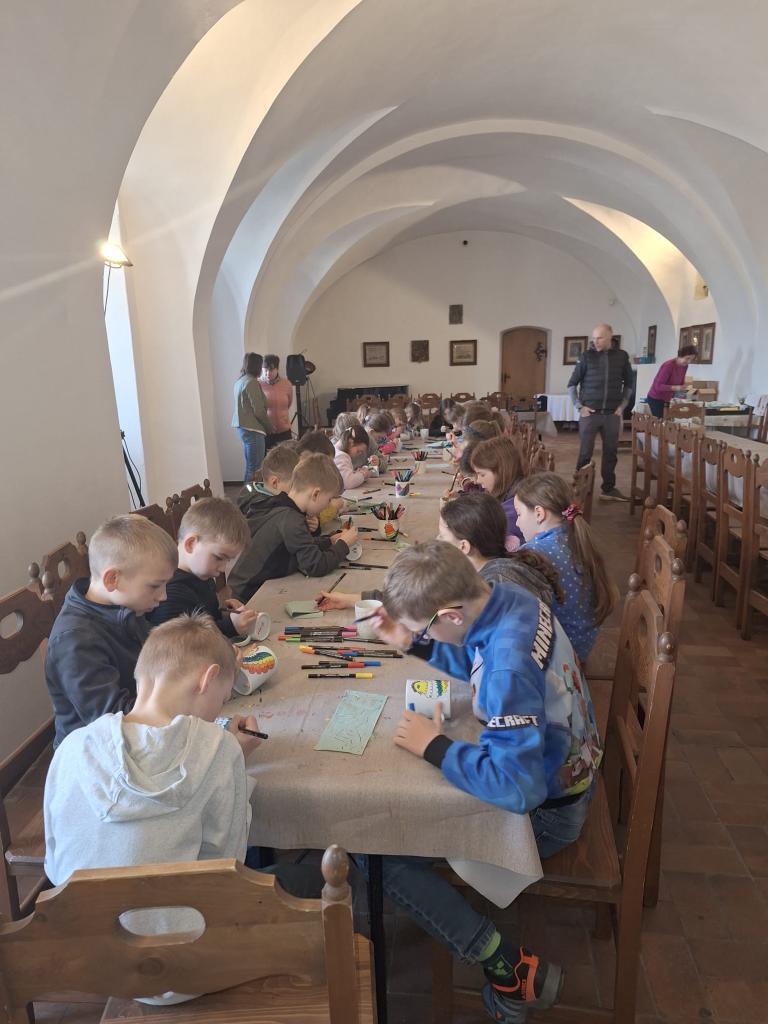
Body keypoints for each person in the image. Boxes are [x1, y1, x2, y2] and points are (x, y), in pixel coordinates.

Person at [368, 542, 602, 1022]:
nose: (422, 635)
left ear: (451, 615)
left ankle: (503, 964)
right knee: (382, 837)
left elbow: (517, 791)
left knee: (377, 848)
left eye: (424, 627)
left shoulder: (507, 668)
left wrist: (434, 747)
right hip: (569, 769)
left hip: (549, 812)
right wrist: (415, 642)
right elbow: (475, 654)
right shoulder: (507, 597)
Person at [43, 613, 265, 1004]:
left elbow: (55, 863)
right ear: (207, 679)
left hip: (86, 961)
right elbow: (230, 869)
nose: (218, 712)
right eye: (222, 699)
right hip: (183, 970)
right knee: (297, 882)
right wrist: (234, 757)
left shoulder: (73, 746)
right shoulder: (219, 748)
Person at [45, 515, 178, 747]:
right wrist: (179, 694)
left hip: (138, 723)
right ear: (112, 579)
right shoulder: (75, 641)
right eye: (155, 586)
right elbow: (115, 723)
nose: (163, 596)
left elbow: (158, 651)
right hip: (95, 753)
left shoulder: (123, 606)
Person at [317, 491, 562, 611]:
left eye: (442, 536)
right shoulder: (491, 565)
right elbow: (419, 597)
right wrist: (351, 599)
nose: (436, 540)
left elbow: (429, 607)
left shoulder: (489, 589)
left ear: (464, 547)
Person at [514, 472, 616, 663]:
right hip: (581, 645)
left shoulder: (534, 553)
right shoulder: (574, 536)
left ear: (539, 513)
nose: (517, 523)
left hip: (561, 659)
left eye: (519, 514)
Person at [228, 454, 357, 601]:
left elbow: (299, 544)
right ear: (315, 494)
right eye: (328, 500)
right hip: (249, 595)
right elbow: (316, 565)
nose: (328, 505)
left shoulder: (284, 506)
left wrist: (329, 541)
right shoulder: (291, 520)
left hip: (244, 586)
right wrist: (343, 545)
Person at [146, 497, 256, 638]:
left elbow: (204, 618)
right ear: (191, 544)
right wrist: (230, 626)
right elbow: (182, 644)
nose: (223, 568)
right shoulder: (171, 593)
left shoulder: (201, 574)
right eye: (219, 557)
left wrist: (225, 613)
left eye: (228, 560)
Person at [567, 323, 634, 501]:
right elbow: (572, 384)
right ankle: (579, 489)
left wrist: (623, 406)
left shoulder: (621, 356)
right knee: (585, 453)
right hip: (590, 414)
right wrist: (579, 407)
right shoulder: (586, 357)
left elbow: (629, 384)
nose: (595, 342)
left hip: (612, 414)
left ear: (610, 336)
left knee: (611, 452)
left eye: (600, 338)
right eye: (594, 338)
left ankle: (608, 489)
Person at [470, 436, 526, 550]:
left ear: (501, 471)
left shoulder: (511, 515)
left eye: (482, 474)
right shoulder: (513, 490)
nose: (477, 480)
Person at [232, 352, 271, 482]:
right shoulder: (251, 382)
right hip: (253, 429)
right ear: (257, 366)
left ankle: (248, 493)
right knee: (255, 469)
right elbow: (259, 411)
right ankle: (250, 494)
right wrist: (269, 427)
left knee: (251, 467)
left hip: (244, 428)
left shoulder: (240, 381)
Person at [237, 444, 299, 517]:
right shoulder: (280, 512)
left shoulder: (249, 492)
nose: (297, 489)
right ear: (274, 482)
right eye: (293, 485)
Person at [645, 345, 698, 418]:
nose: (689, 362)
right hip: (656, 398)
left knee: (668, 420)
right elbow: (658, 386)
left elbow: (681, 382)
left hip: (667, 398)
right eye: (687, 358)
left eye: (691, 360)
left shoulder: (685, 366)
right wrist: (676, 388)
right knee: (661, 422)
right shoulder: (668, 366)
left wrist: (683, 388)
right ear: (680, 355)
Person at [260, 354, 294, 449]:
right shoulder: (258, 384)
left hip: (284, 431)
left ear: (277, 369)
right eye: (265, 370)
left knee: (288, 456)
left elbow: (288, 403)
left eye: (271, 370)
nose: (268, 373)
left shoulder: (286, 384)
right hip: (266, 432)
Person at [333, 422, 373, 489]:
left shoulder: (338, 452)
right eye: (358, 451)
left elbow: (344, 475)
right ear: (350, 442)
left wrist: (356, 473)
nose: (359, 454)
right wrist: (363, 475)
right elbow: (348, 482)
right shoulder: (340, 456)